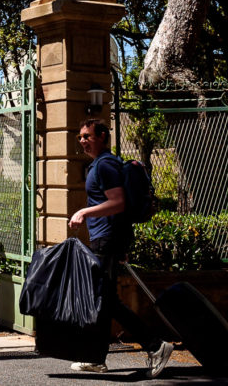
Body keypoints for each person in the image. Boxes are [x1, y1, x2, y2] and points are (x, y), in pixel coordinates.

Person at [69, 118, 174, 378]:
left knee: (104, 299)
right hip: (110, 238)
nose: (82, 141)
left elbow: (118, 203)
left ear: (102, 136)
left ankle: (155, 345)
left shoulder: (104, 165)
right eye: (80, 137)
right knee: (103, 300)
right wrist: (122, 242)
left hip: (106, 237)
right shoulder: (104, 164)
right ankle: (96, 358)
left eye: (87, 136)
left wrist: (84, 211)